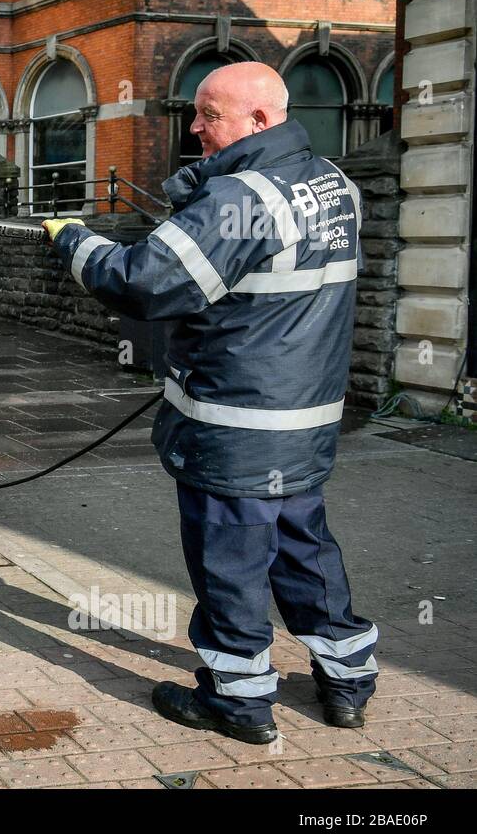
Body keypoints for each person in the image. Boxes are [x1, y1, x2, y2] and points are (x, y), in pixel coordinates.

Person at [42, 62, 376, 745]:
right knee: (304, 554)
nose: (193, 127)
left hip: (235, 430)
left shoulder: (243, 200)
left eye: (208, 114)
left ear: (259, 119)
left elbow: (142, 281)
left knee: (231, 565)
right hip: (305, 428)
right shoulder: (333, 183)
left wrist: (73, 239)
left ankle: (239, 704)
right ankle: (347, 683)